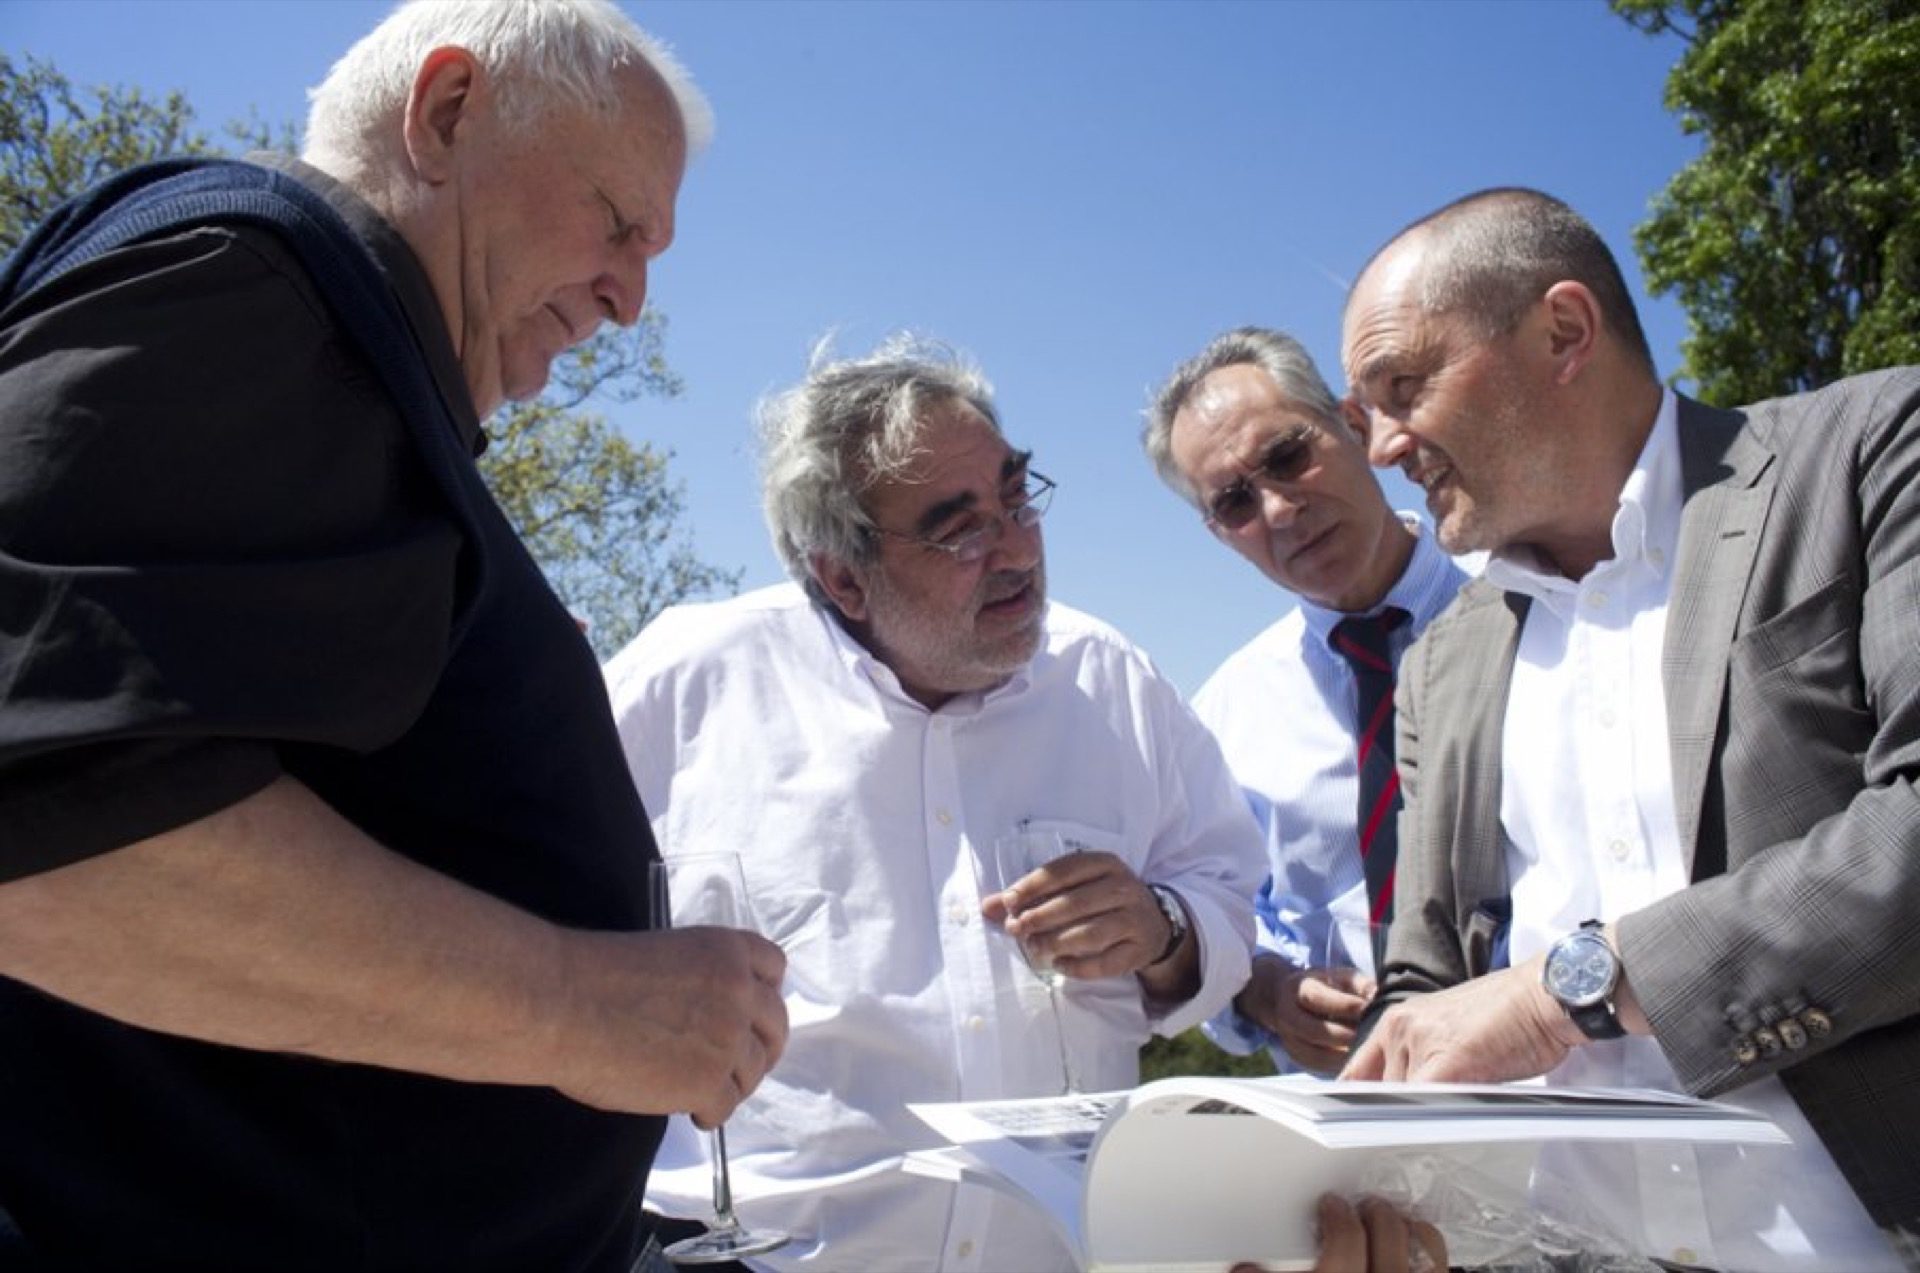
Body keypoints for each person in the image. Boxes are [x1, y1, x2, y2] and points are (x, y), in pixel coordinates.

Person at [0, 2, 787, 1268]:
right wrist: (591, 1010)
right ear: (447, 113)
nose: (632, 298)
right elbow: (39, 814)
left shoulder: (336, 349)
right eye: (618, 221)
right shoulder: (268, 282)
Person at [1338, 187, 1920, 1268]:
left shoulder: (1874, 450)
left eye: (1403, 386)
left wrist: (1579, 988)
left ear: (1564, 333)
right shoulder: (1441, 665)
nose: (1378, 446)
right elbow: (1422, 985)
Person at [603, 335, 1265, 1271]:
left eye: (1016, 496)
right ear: (841, 575)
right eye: (961, 528)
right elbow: (537, 908)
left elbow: (1229, 893)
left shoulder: (1112, 679)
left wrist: (1165, 928)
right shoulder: (684, 684)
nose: (1017, 549)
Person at [1143, 327, 1468, 1075]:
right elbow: (1214, 912)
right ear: (1220, 534)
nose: (1280, 508)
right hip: (1357, 1128)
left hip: (1575, 1108)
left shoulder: (1535, 611)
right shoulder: (1226, 714)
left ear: (1355, 427)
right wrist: (1266, 990)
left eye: (1288, 457)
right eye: (1234, 501)